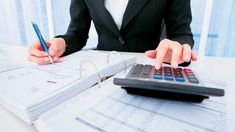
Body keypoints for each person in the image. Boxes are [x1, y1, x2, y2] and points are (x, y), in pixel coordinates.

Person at [28, 0, 197, 69]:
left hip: (149, 68)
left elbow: (181, 33)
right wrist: (61, 43)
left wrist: (178, 49)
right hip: (101, 71)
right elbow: (77, 33)